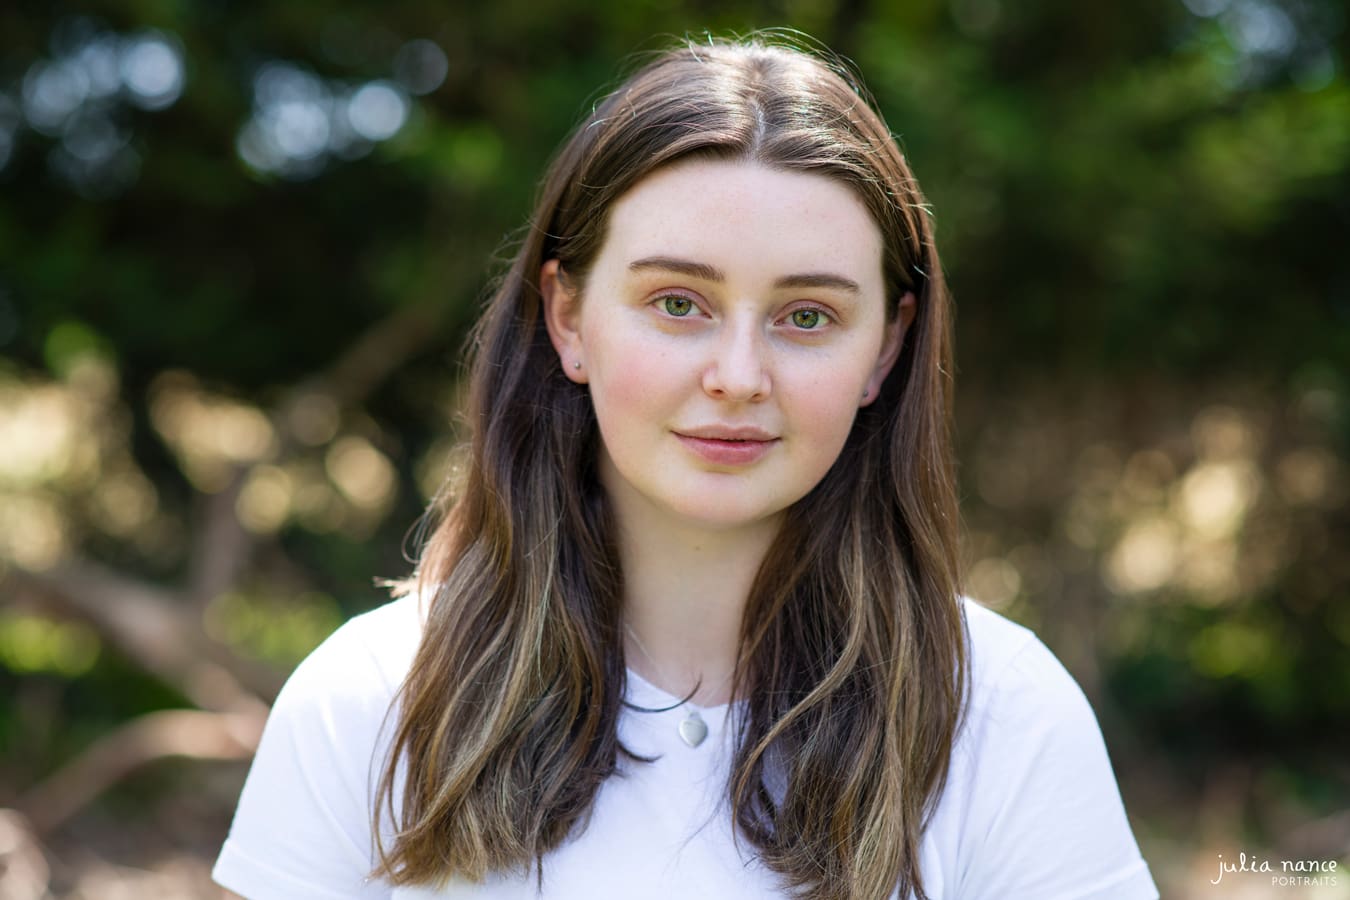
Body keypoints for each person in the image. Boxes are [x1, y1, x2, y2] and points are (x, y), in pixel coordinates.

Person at [213, 35, 1159, 900]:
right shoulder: (369, 702)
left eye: (807, 317)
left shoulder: (999, 715)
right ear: (570, 318)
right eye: (677, 302)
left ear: (885, 350)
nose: (739, 377)